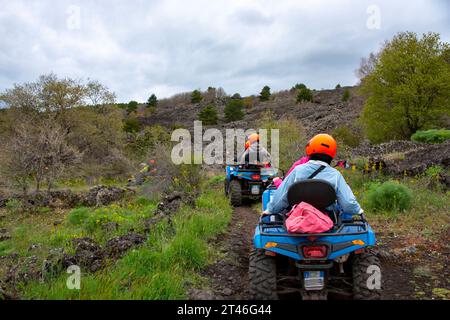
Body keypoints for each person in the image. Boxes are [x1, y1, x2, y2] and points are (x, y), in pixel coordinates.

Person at [264, 134, 362, 216]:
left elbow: (281, 197)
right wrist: (358, 210)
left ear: (309, 150)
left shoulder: (297, 171)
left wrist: (270, 210)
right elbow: (348, 204)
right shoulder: (336, 175)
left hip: (298, 217)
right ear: (332, 153)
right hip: (327, 220)